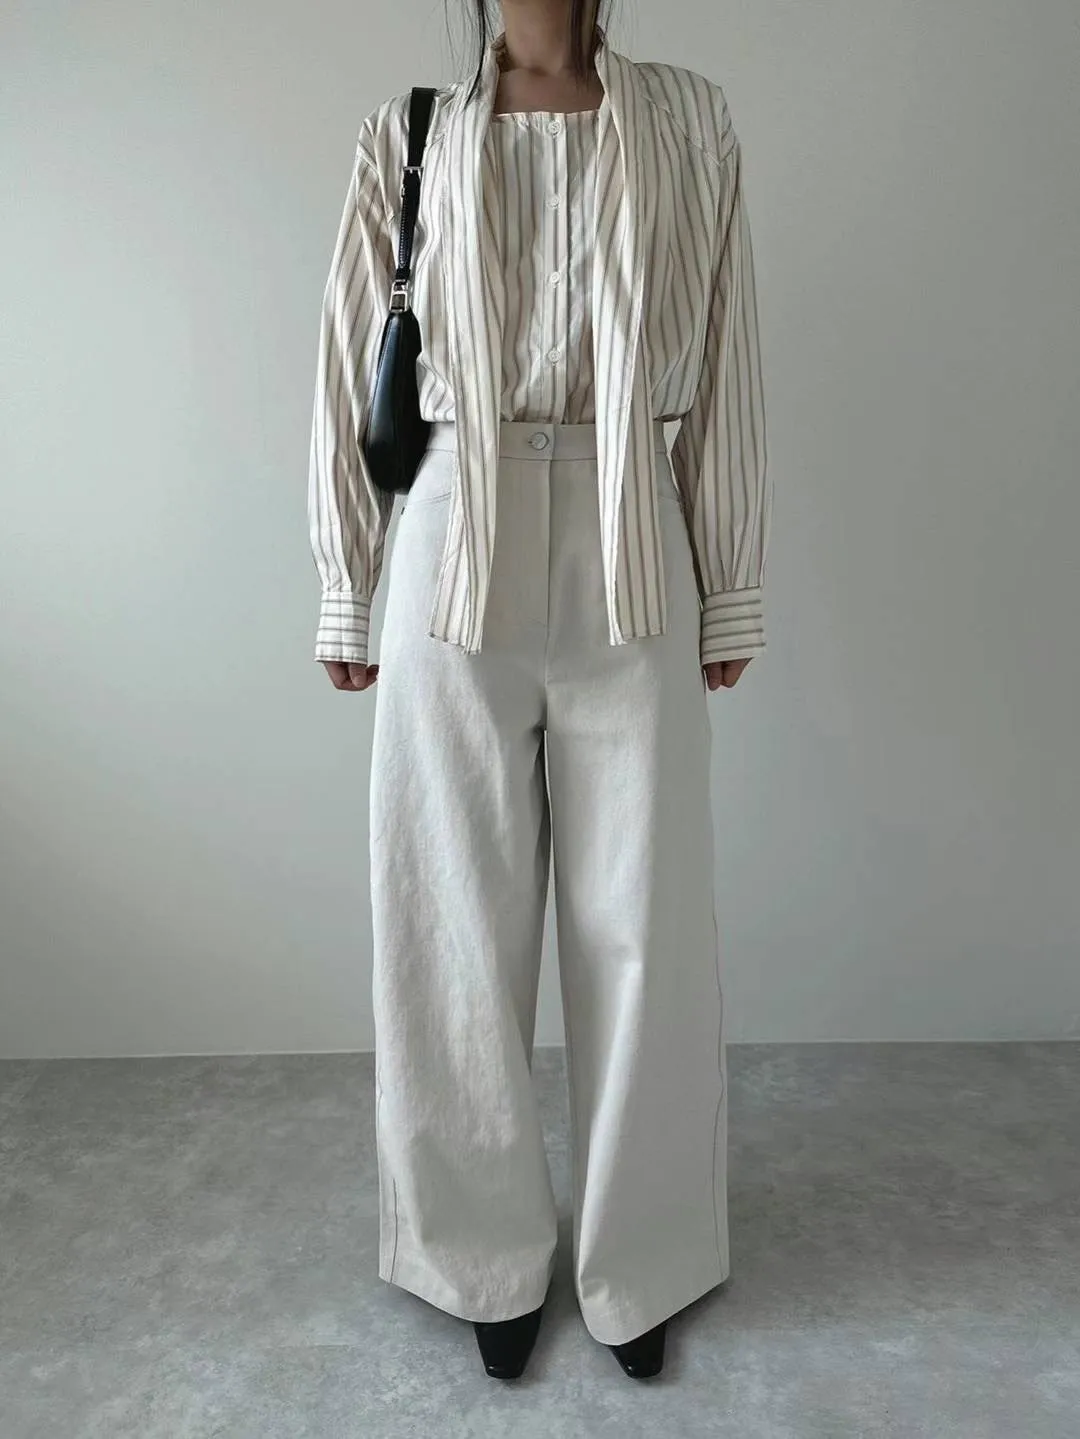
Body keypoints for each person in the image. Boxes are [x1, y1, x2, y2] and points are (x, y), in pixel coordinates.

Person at [307, 0, 770, 1383]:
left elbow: (727, 347)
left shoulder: (689, 117)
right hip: (456, 518)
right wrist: (348, 578)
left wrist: (731, 577)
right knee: (450, 913)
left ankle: (644, 1257)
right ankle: (477, 1250)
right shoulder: (410, 134)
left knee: (646, 920)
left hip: (636, 529)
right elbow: (348, 355)